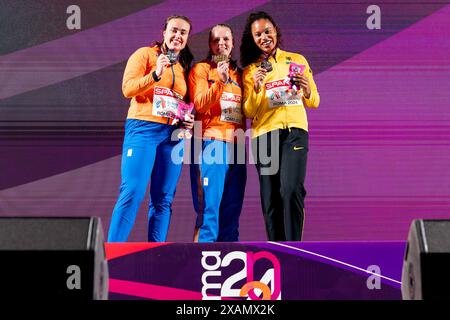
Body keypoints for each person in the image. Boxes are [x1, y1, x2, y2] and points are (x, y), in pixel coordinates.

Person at [108, 15, 194, 242]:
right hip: (143, 128)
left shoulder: (183, 66)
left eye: (183, 32)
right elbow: (128, 89)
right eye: (174, 30)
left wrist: (186, 119)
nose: (178, 35)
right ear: (164, 32)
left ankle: (156, 255)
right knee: (133, 192)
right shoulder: (144, 54)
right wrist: (155, 73)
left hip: (173, 136)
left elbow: (179, 101)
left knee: (163, 199)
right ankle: (110, 257)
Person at [241, 11, 320, 241]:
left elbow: (314, 101)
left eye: (267, 31)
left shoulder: (297, 60)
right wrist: (256, 88)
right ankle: (279, 251)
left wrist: (306, 88)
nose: (264, 37)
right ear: (253, 39)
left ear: (276, 30)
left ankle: (296, 250)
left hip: (294, 133)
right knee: (271, 200)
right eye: (258, 34)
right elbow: (248, 111)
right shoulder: (250, 70)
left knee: (291, 189)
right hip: (264, 136)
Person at [189, 24, 246, 242]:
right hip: (210, 142)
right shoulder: (202, 70)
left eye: (226, 40)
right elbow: (201, 104)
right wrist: (220, 83)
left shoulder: (240, 74)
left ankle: (228, 265)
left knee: (232, 211)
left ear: (233, 43)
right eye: (216, 40)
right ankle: (202, 263)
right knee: (209, 209)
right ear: (210, 45)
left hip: (238, 145)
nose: (221, 44)